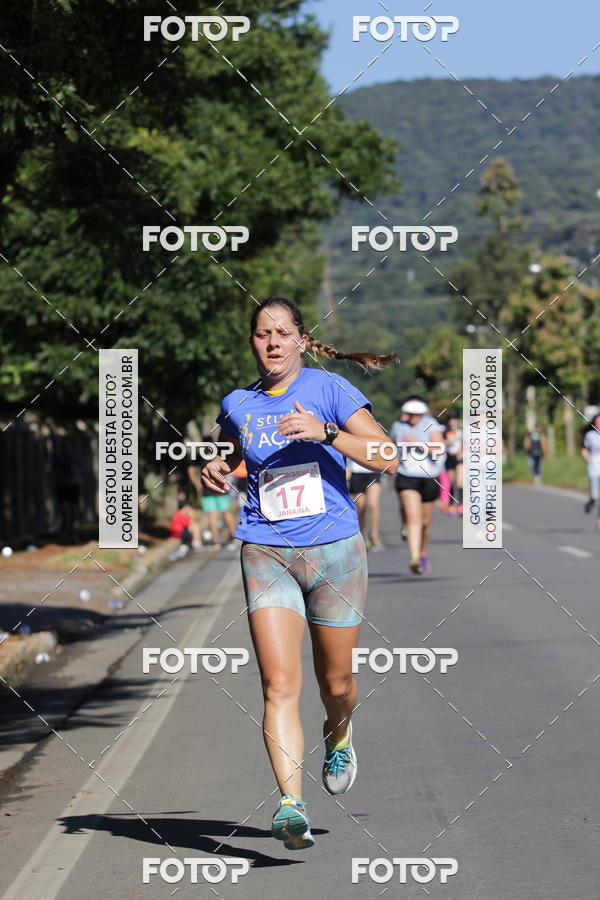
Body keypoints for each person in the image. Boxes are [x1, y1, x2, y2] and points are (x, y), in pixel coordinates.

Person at [201, 296, 398, 850]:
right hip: (265, 551)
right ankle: (291, 804)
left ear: (303, 341)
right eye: (262, 333)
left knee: (335, 683)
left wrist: (327, 433)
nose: (272, 342)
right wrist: (217, 468)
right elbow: (235, 456)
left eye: (283, 332)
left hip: (335, 552)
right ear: (252, 342)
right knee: (277, 684)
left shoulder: (328, 390)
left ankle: (340, 733)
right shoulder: (238, 403)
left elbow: (388, 455)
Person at [390, 397, 445, 575]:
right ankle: (414, 557)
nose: (413, 418)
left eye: (417, 415)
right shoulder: (398, 426)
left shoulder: (431, 424)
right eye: (410, 414)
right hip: (407, 477)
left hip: (428, 477)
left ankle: (422, 553)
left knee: (425, 523)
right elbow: (390, 446)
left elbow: (438, 448)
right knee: (414, 518)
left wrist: (416, 443)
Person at [188, 440, 238, 548]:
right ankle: (235, 538)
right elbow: (227, 468)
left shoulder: (200, 455)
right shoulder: (218, 454)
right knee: (226, 513)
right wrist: (224, 480)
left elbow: (191, 469)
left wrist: (197, 484)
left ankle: (215, 541)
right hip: (220, 488)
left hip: (207, 489)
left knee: (212, 515)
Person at [347, 457, 385, 551]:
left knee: (373, 504)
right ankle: (362, 535)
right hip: (356, 472)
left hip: (373, 471)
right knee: (361, 507)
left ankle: (374, 534)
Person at [443, 411, 464, 515]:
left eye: (454, 419)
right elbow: (440, 441)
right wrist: (447, 442)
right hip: (449, 457)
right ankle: (451, 504)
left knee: (460, 481)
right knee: (452, 481)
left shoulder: (462, 431)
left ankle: (461, 505)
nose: (452, 422)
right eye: (450, 420)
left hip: (459, 457)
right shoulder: (445, 431)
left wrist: (462, 451)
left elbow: (467, 442)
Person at [582, 414, 600, 528]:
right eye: (598, 422)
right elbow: (584, 450)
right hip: (594, 469)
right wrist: (588, 460)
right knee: (595, 496)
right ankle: (591, 501)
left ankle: (599, 520)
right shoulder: (590, 435)